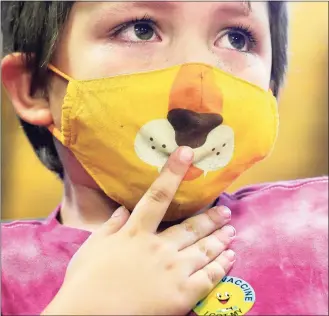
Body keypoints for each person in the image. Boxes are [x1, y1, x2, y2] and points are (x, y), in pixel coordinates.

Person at [1, 2, 328, 315]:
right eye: (140, 29)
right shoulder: (9, 268)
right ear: (35, 86)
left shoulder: (316, 225)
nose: (200, 79)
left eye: (236, 38)